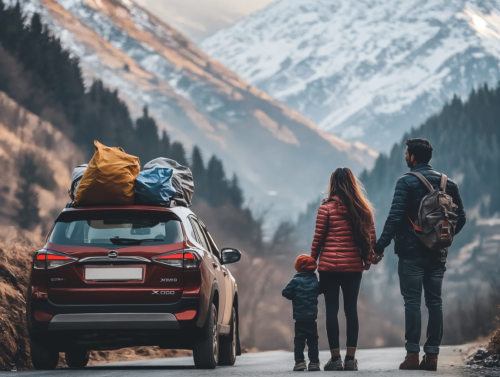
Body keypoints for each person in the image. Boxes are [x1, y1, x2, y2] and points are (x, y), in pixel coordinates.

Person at [372, 138, 466, 371]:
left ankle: (412, 355)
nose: (405, 156)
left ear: (413, 157)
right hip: (437, 253)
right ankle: (432, 357)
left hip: (411, 253)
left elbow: (394, 218)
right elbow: (461, 218)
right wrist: (442, 239)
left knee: (412, 301)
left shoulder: (406, 182)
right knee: (435, 301)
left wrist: (378, 247)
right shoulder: (449, 184)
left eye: (406, 153)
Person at [310, 167, 376, 371]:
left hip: (329, 268)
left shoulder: (326, 208)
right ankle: (350, 359)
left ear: (333, 184)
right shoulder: (362, 208)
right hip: (353, 268)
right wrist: (367, 260)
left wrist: (311, 262)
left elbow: (318, 239)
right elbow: (370, 238)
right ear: (353, 184)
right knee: (351, 310)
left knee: (331, 310)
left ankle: (335, 359)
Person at [282, 254, 322, 372]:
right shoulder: (315, 280)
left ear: (297, 267)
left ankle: (299, 362)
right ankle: (314, 363)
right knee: (313, 340)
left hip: (299, 318)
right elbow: (321, 290)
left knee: (299, 341)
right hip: (311, 317)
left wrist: (294, 296)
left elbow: (285, 292)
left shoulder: (295, 280)